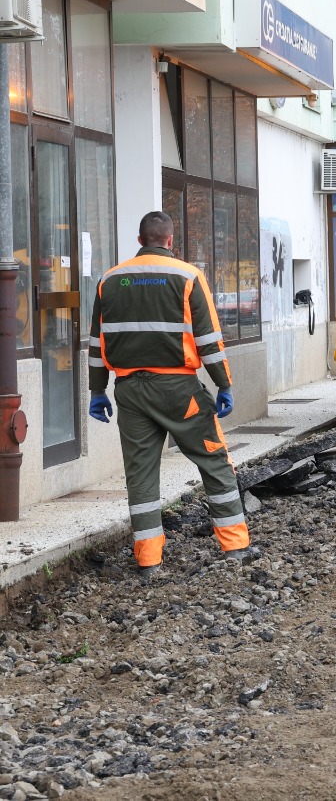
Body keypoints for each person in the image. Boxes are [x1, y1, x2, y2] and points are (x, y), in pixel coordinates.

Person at [87, 211, 258, 575]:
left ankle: (149, 561)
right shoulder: (188, 276)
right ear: (170, 240)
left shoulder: (109, 280)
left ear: (140, 240)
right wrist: (224, 384)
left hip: (129, 391)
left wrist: (97, 390)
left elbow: (97, 343)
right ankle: (236, 547)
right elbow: (209, 339)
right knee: (214, 460)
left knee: (140, 473)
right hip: (179, 390)